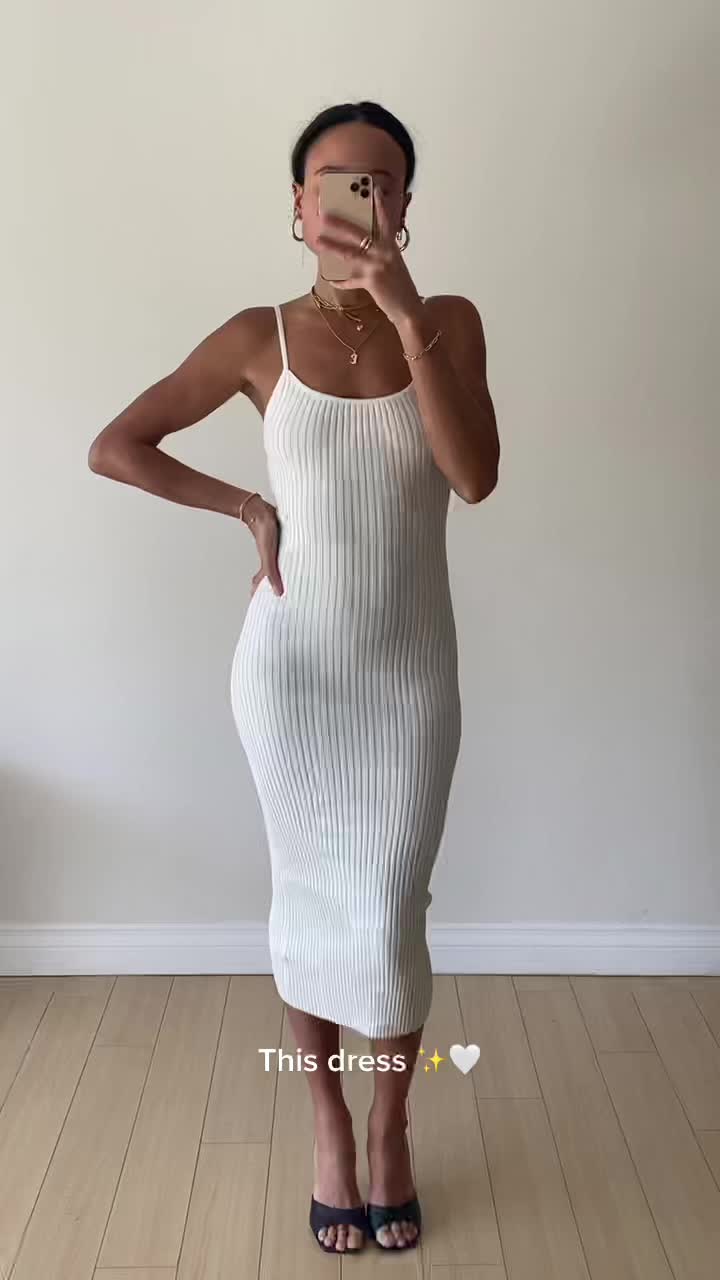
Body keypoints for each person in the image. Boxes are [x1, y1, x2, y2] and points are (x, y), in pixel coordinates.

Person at [88, 99, 499, 1255]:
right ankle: (328, 1119)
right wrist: (244, 505)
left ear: (405, 205)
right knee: (308, 900)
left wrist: (405, 315)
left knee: (392, 910)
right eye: (334, 181)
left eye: (380, 182)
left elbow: (474, 476)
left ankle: (392, 1119)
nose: (357, 200)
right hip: (291, 676)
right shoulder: (255, 337)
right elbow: (117, 444)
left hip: (409, 677)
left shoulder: (449, 321)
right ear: (299, 203)